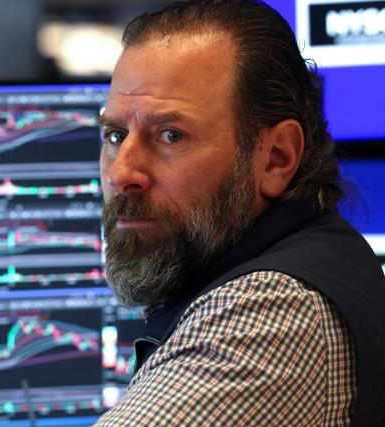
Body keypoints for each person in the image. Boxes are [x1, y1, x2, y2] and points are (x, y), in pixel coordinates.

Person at [94, 1, 385, 425]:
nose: (122, 173)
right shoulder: (296, 252)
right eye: (116, 135)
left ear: (276, 158)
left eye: (171, 135)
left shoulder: (272, 313)